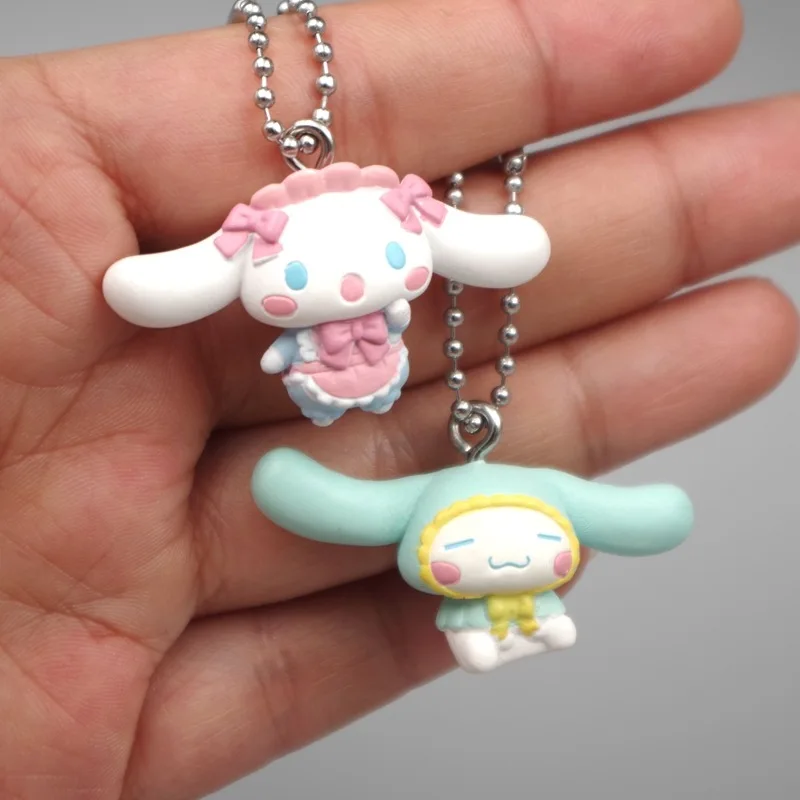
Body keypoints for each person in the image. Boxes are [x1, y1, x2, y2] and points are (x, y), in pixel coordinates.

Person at [0, 0, 797, 797]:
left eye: (377, 266)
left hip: (378, 377)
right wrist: (290, 358)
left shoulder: (400, 265)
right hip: (326, 382)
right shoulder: (280, 270)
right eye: (303, 277)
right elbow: (184, 305)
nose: (350, 287)